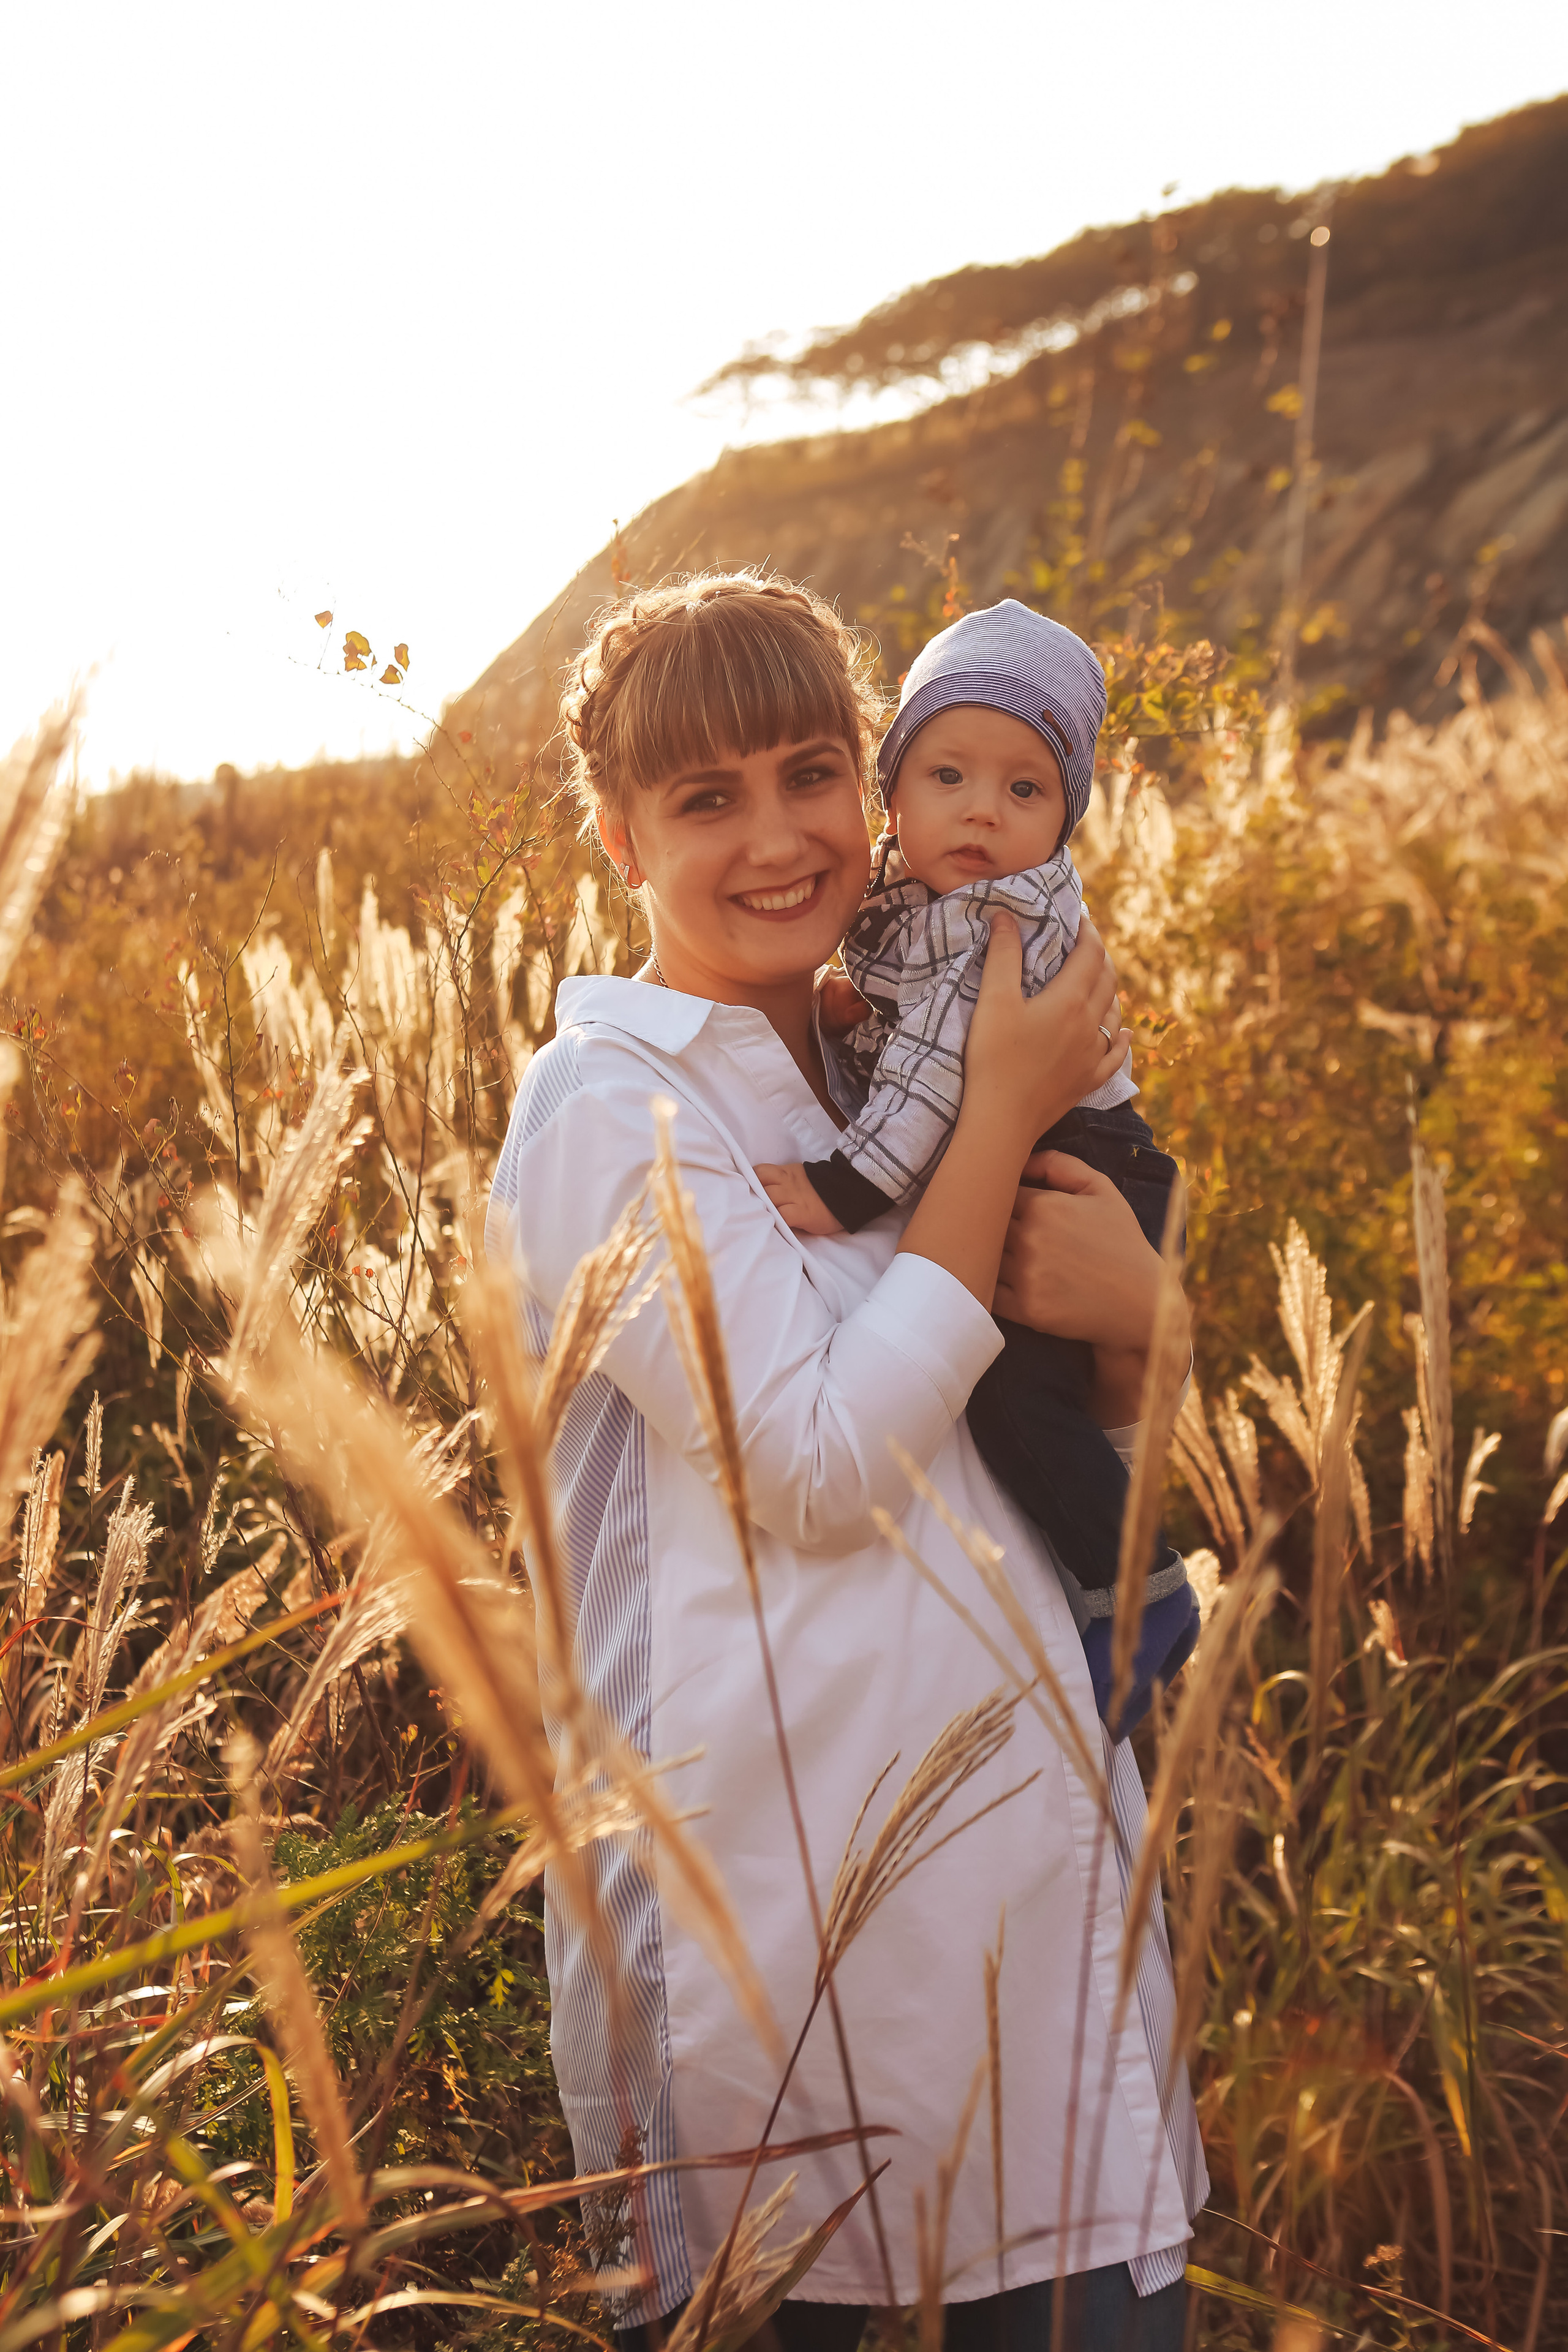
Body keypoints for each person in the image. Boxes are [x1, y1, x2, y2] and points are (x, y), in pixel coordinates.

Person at [486, 573, 1204, 2352]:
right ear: (616, 830)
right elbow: (812, 1462)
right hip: (777, 1973)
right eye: (703, 798)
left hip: (1034, 1918)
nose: (777, 838)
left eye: (810, 772)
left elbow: (1051, 1457)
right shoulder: (612, 1106)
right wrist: (1009, 1117)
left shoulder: (892, 1051)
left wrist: (1151, 1331)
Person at [755, 602, 1199, 1735]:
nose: (982, 812)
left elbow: (938, 1089)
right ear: (891, 794)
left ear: (1064, 819)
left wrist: (841, 1190)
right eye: (948, 775)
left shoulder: (998, 919)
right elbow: (909, 1031)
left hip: (1081, 1161)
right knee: (1020, 1393)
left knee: (1005, 1388)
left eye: (1024, 791)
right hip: (1051, 1146)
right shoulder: (921, 907)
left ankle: (1140, 1597)